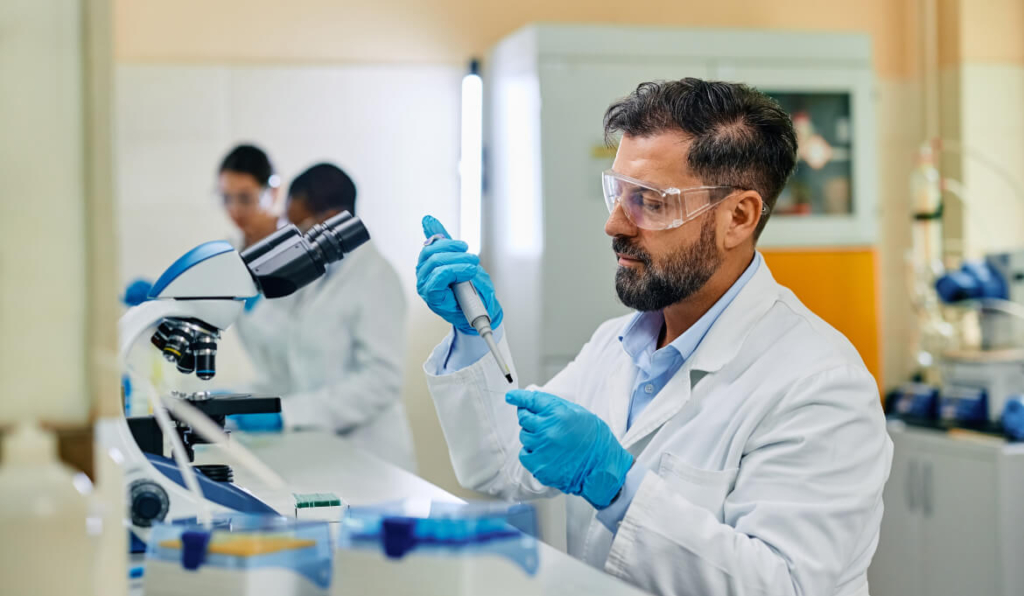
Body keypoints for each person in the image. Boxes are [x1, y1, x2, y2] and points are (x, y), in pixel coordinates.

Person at [415, 78, 891, 596]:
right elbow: (505, 464)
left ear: (738, 217)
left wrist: (618, 486)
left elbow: (786, 585)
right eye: (618, 193)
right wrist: (470, 336)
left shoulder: (821, 384)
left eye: (651, 202)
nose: (614, 224)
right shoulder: (616, 346)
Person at [233, 163, 416, 472]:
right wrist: (246, 400)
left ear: (330, 219)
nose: (296, 238)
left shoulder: (377, 278)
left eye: (300, 227)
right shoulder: (319, 276)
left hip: (373, 457)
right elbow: (290, 355)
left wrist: (288, 414)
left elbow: (381, 383)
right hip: (325, 453)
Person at [218, 144, 282, 249]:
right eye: (227, 198)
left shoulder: (298, 238)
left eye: (245, 198)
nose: (235, 209)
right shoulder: (230, 249)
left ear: (273, 192)